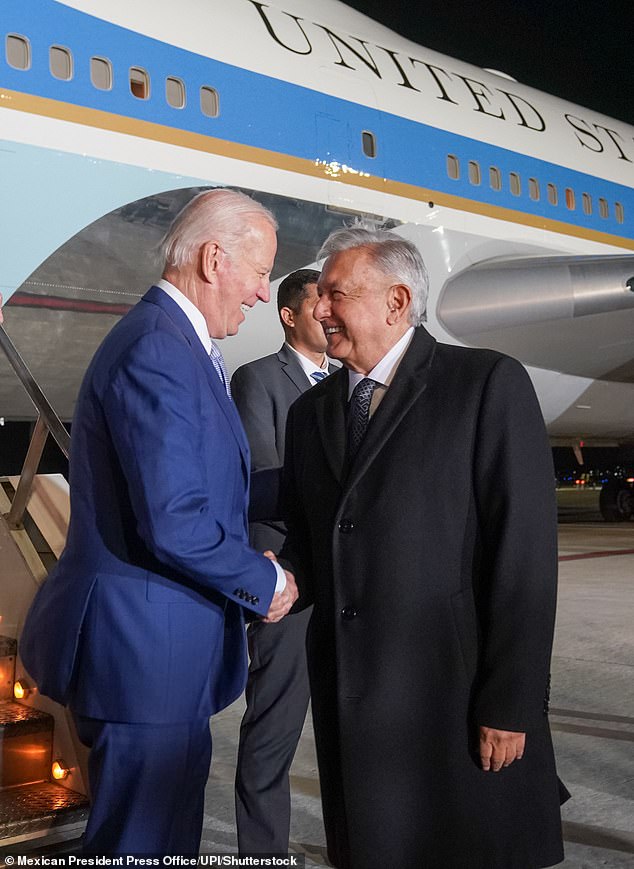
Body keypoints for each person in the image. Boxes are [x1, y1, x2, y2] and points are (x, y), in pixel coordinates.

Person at [19, 188, 298, 856]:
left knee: (163, 842)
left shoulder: (178, 342)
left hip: (161, 654)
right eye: (260, 273)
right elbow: (175, 520)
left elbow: (197, 484)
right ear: (212, 259)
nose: (264, 294)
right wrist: (264, 582)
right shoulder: (159, 349)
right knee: (140, 846)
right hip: (145, 655)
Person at [280, 226, 567, 869]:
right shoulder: (312, 413)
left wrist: (511, 703)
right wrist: (283, 578)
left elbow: (522, 559)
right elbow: (312, 531)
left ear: (397, 300)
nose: (319, 308)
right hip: (355, 703)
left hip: (454, 701)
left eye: (335, 294)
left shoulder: (485, 384)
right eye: (320, 296)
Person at [232, 268, 336, 855]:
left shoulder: (354, 382)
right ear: (289, 316)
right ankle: (263, 853)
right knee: (272, 731)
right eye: (317, 301)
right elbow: (261, 482)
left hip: (347, 583)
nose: (329, 310)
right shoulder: (259, 380)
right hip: (291, 581)